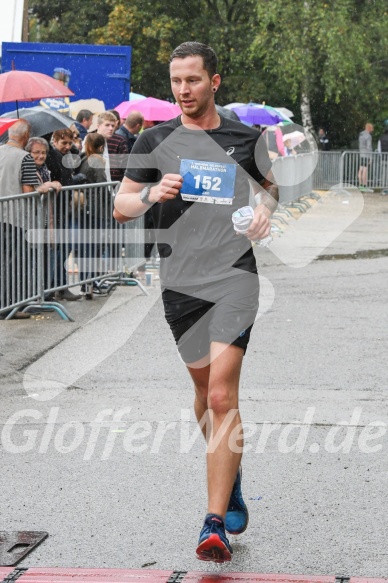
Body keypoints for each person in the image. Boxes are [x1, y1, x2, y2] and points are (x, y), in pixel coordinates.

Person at [113, 41, 278, 563]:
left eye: (193, 80)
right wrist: (150, 195)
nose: (184, 90)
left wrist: (264, 213)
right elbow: (121, 206)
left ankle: (212, 524)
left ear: (215, 82)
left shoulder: (245, 138)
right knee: (205, 396)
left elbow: (269, 189)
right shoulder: (154, 139)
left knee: (224, 397)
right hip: (180, 282)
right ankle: (229, 478)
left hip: (234, 276)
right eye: (176, 81)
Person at [0, 121, 49, 319]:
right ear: (26, 134)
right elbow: (28, 191)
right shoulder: (25, 157)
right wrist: (44, 187)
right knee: (12, 262)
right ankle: (9, 306)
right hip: (14, 217)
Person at [25, 137, 62, 294]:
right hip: (33, 222)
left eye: (43, 153)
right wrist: (46, 186)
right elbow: (33, 192)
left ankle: (45, 292)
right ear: (28, 153)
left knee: (48, 256)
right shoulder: (27, 169)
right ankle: (36, 294)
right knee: (34, 260)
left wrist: (53, 184)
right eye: (36, 152)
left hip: (47, 221)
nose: (40, 156)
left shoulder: (45, 169)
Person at [75, 133, 108, 296]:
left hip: (84, 209)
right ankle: (90, 282)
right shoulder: (96, 160)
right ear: (101, 147)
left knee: (85, 246)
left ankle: (86, 281)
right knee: (94, 247)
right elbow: (103, 186)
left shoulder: (82, 158)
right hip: (96, 210)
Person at [358, 122, 374, 192]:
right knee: (365, 170)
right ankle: (365, 186)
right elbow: (369, 147)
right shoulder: (368, 136)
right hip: (366, 154)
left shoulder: (361, 134)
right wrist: (371, 157)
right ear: (369, 128)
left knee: (360, 169)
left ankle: (360, 185)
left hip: (361, 153)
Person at [377, 120, 388, 195]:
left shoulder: (381, 138)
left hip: (384, 158)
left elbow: (379, 149)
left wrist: (382, 156)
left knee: (384, 174)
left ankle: (384, 188)